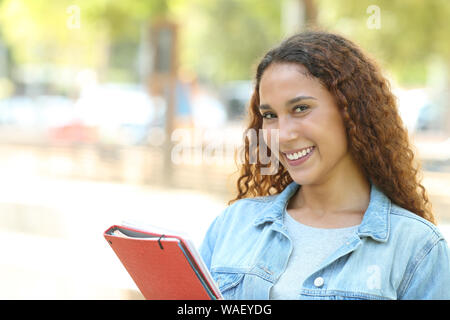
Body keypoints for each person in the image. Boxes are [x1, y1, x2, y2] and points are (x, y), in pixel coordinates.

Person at [199, 30, 450, 300]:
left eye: (300, 109)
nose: (282, 134)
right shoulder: (233, 225)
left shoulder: (417, 247)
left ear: (351, 109)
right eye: (270, 115)